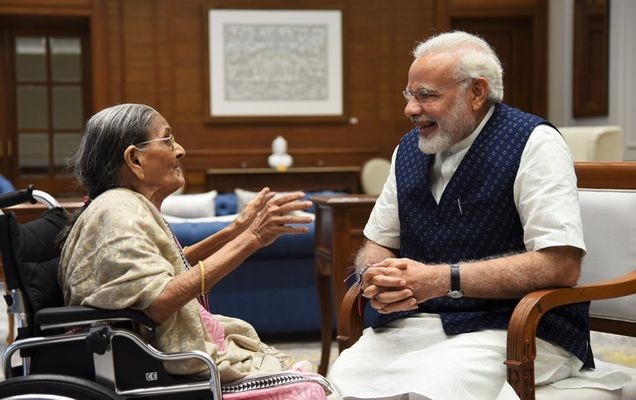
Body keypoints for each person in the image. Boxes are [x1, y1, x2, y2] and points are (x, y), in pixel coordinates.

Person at [327, 31, 629, 400]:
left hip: (521, 328)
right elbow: (378, 243)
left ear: (476, 93)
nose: (410, 109)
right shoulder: (407, 150)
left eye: (427, 96)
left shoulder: (535, 144)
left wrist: (443, 279)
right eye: (409, 94)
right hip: (420, 324)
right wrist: (374, 275)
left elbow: (561, 264)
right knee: (342, 380)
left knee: (439, 385)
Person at [57, 103, 335, 397]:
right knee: (309, 389)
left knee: (299, 373)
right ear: (134, 159)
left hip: (144, 350)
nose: (180, 151)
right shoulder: (118, 211)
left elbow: (170, 268)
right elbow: (159, 300)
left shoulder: (122, 204)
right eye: (168, 140)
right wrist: (252, 238)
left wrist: (235, 229)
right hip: (149, 362)